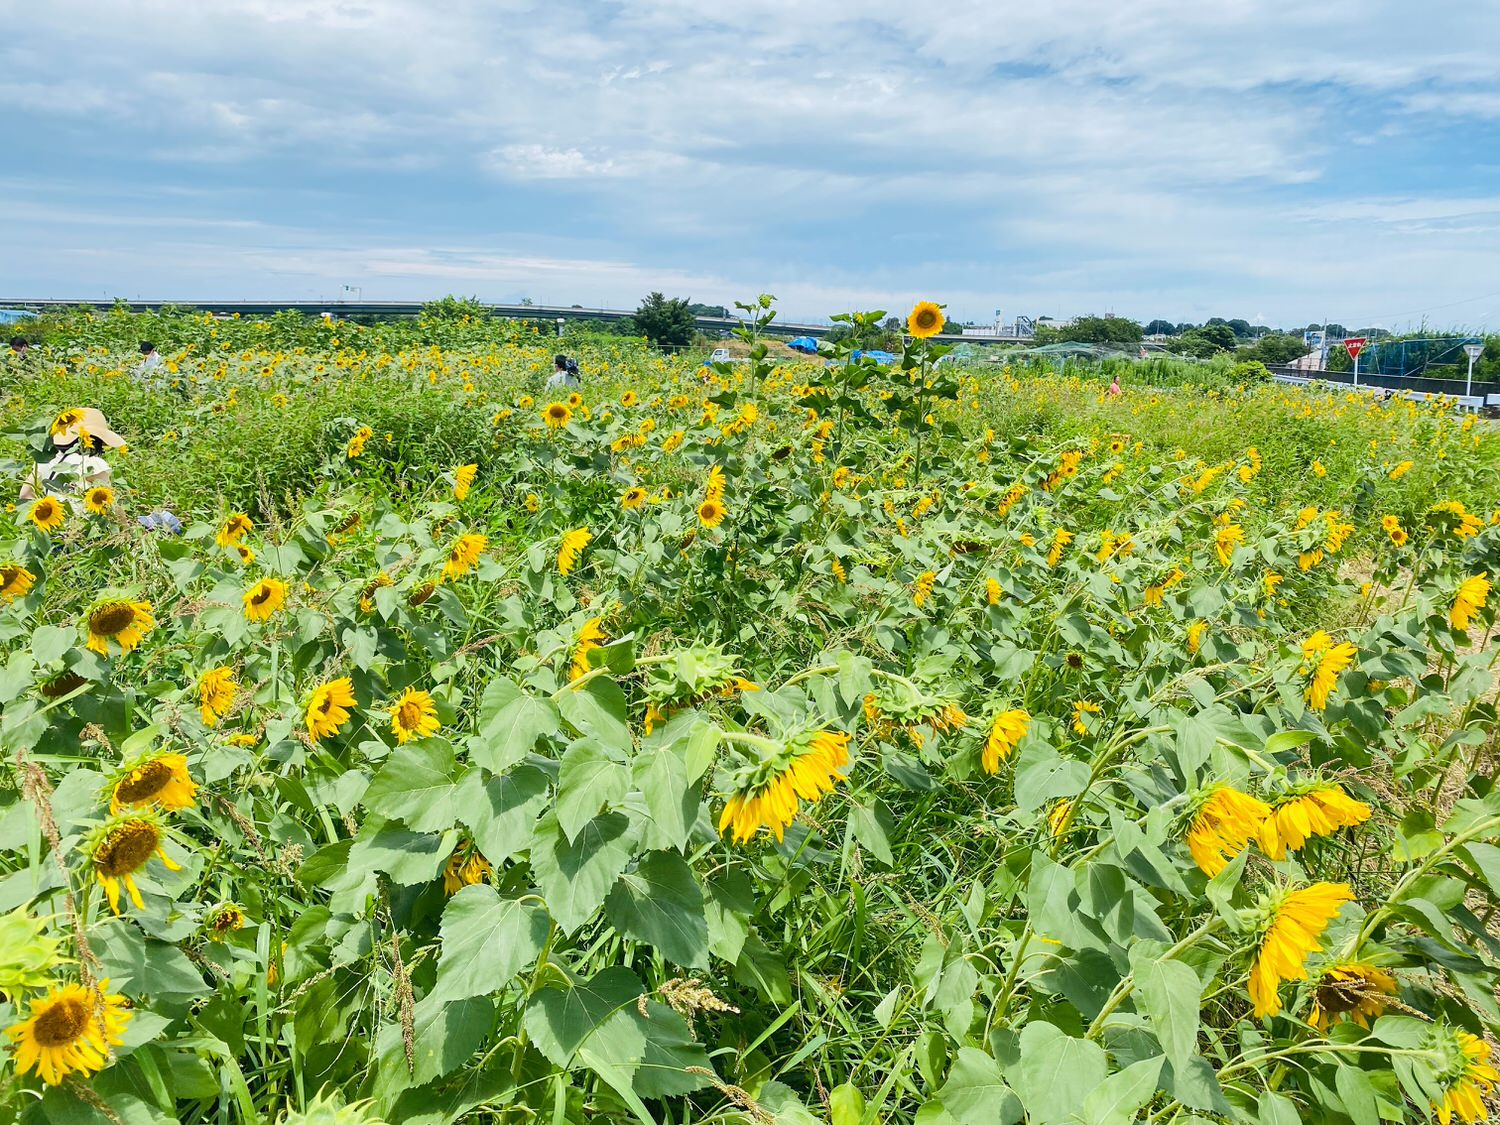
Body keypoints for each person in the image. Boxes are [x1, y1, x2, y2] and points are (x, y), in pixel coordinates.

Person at [19, 407, 126, 501]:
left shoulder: (45, 461)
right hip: (83, 522)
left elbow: (25, 495)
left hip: (55, 521)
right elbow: (110, 504)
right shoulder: (92, 464)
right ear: (96, 440)